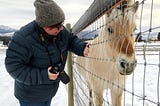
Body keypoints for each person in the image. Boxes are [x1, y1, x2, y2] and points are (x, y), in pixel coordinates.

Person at [5, 0, 89, 106]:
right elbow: (13, 67)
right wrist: (44, 75)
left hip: (49, 92)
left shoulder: (60, 31)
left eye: (62, 23)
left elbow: (70, 40)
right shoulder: (23, 38)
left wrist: (81, 47)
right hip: (30, 97)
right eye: (58, 26)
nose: (62, 28)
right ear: (45, 26)